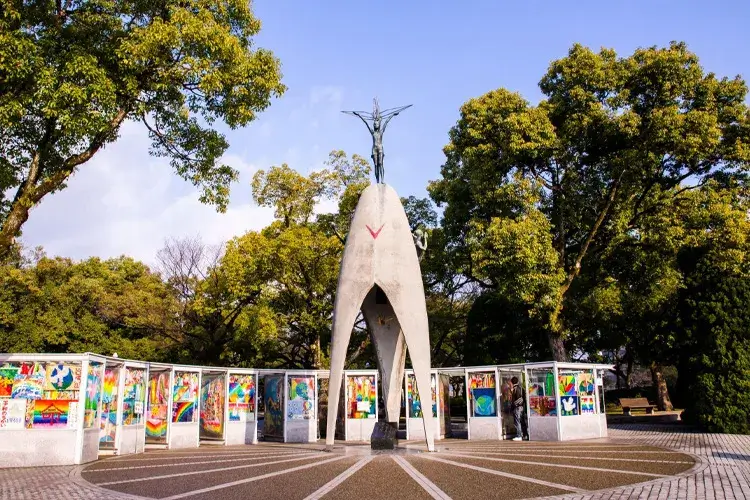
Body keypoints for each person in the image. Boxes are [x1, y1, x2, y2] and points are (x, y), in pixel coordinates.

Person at [511, 376, 525, 441]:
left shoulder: (516, 389)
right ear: (518, 381)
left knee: (517, 421)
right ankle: (525, 435)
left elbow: (520, 399)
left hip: (517, 407)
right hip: (521, 407)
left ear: (512, 383)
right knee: (522, 421)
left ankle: (519, 436)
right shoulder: (521, 388)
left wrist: (514, 404)